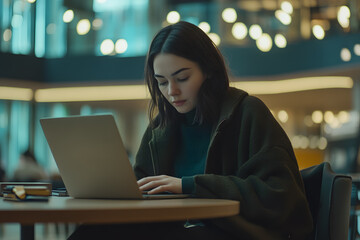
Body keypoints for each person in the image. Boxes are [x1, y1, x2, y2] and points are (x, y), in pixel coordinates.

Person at [68, 21, 313, 240]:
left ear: (207, 70)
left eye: (182, 78)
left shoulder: (248, 113)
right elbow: (141, 186)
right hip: (178, 228)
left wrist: (188, 185)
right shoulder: (160, 127)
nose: (171, 91)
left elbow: (280, 196)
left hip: (236, 231)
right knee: (92, 232)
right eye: (161, 82)